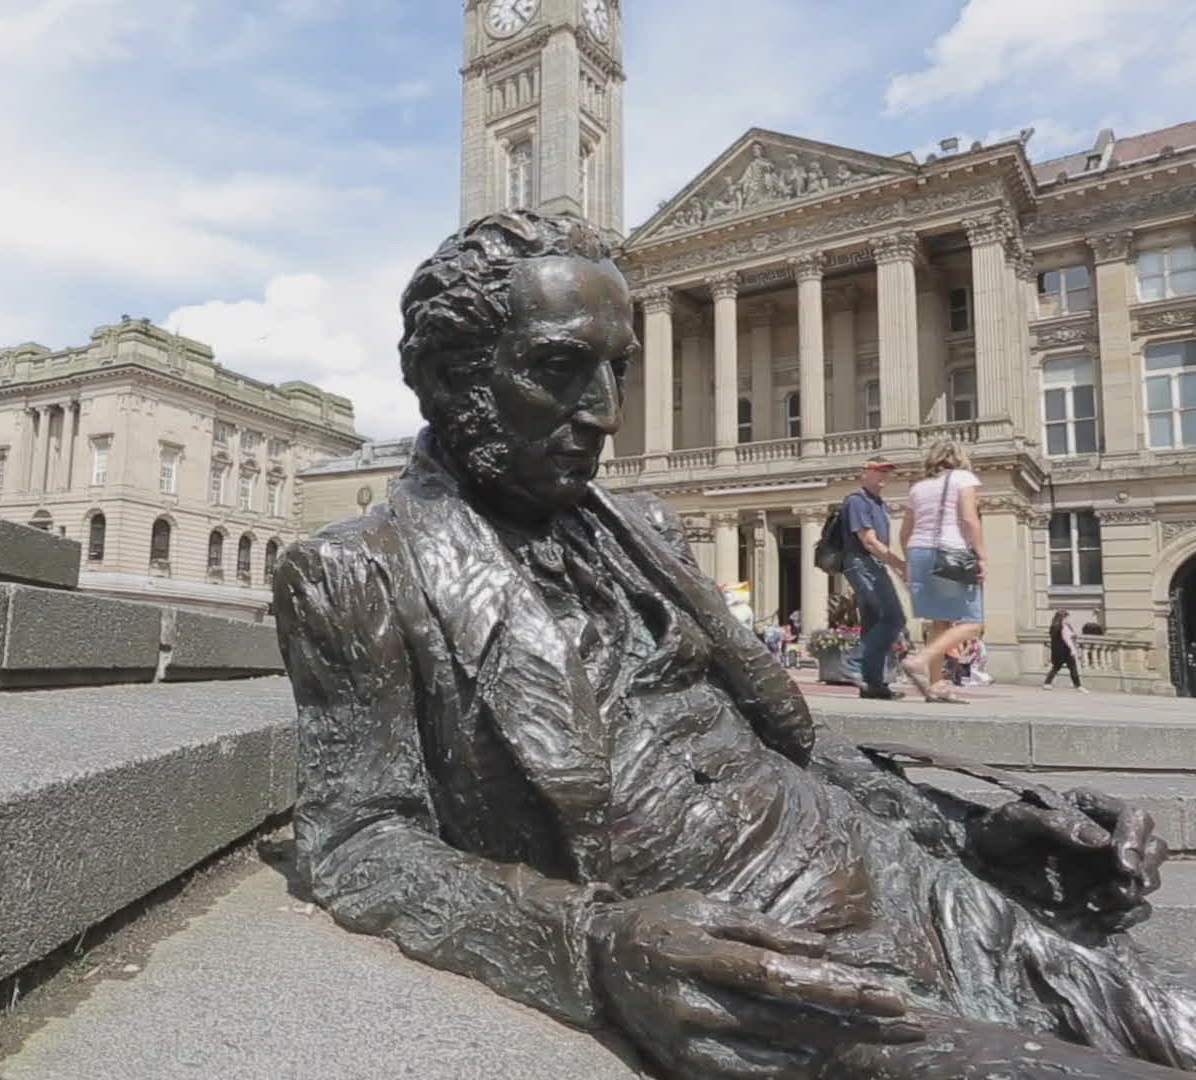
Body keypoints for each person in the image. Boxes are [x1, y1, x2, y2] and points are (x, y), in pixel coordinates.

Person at [274, 210, 1184, 1079]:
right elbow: (353, 842)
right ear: (445, 378)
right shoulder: (355, 569)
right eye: (557, 368)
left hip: (913, 883)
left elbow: (786, 742)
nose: (604, 413)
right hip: (764, 966)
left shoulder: (646, 530)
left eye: (615, 371)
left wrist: (973, 830)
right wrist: (590, 946)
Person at [899, 441, 986, 705]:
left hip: (918, 551)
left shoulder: (918, 488)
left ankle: (937, 685)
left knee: (939, 622)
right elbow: (970, 520)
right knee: (973, 622)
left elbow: (904, 532)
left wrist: (910, 562)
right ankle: (919, 660)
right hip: (951, 551)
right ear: (959, 458)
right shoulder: (963, 478)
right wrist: (981, 555)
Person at [840, 457, 911, 700]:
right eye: (879, 471)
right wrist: (901, 565)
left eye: (887, 472)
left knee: (874, 623)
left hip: (873, 565)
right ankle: (854, 664)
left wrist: (895, 566)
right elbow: (869, 541)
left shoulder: (879, 503)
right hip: (863, 564)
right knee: (893, 617)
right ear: (864, 473)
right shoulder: (857, 501)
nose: (884, 476)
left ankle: (872, 683)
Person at [1046, 609, 1088, 693]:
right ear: (1063, 617)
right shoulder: (1062, 627)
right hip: (1066, 651)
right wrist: (1072, 649)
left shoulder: (1056, 627)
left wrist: (1073, 635)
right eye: (1067, 617)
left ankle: (1047, 683)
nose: (1068, 619)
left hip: (1060, 651)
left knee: (1056, 668)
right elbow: (1067, 640)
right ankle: (1078, 686)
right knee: (1072, 668)